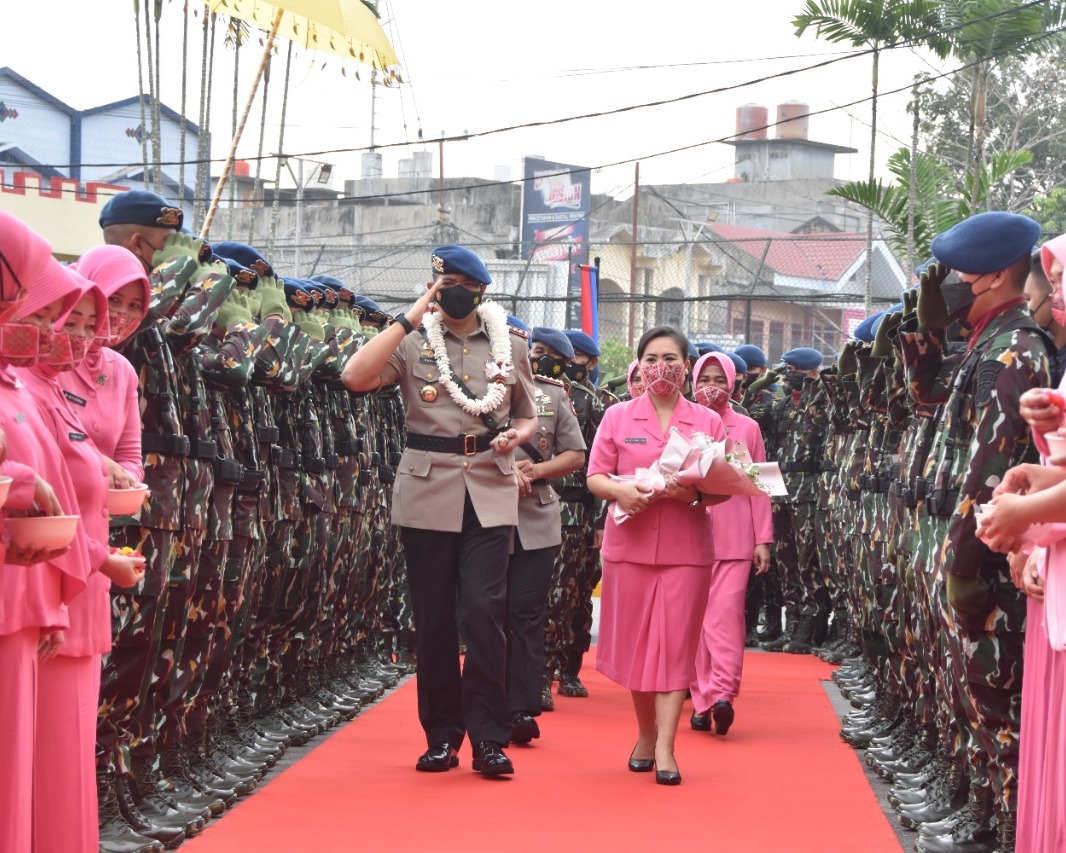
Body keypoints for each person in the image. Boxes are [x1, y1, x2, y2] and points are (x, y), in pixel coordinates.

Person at [341, 244, 537, 777]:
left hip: (491, 492)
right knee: (433, 623)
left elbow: (528, 416)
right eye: (438, 281)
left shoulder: (510, 345)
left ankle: (489, 739)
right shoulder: (412, 341)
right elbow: (354, 377)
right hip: (428, 490)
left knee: (482, 615)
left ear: (477, 289)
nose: (445, 289)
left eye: (453, 281)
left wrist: (514, 437)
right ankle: (442, 737)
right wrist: (407, 317)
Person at [897, 211, 1051, 853]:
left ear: (990, 273)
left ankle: (1002, 824)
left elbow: (992, 463)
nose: (952, 282)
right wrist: (924, 336)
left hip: (991, 550)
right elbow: (929, 406)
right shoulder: (987, 342)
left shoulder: (1015, 350)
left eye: (961, 271)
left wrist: (965, 557)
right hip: (973, 541)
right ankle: (980, 806)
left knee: (997, 698)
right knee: (972, 687)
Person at [586, 325, 726, 786]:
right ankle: (645, 734)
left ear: (687, 366)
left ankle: (666, 746)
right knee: (637, 647)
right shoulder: (617, 416)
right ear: (639, 366)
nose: (659, 367)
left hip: (687, 550)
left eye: (669, 358)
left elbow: (724, 489)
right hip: (629, 547)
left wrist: (686, 495)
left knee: (676, 647)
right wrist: (623, 491)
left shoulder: (707, 422)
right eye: (650, 358)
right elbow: (595, 476)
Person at [507, 327, 586, 744]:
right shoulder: (475, 390)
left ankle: (520, 705)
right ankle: (485, 701)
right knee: (484, 612)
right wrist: (503, 474)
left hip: (535, 518)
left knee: (527, 613)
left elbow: (575, 454)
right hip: (482, 515)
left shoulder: (552, 395)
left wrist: (535, 470)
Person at [687, 351, 772, 736]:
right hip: (688, 537)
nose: (712, 387)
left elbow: (761, 488)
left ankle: (723, 694)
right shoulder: (683, 423)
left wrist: (763, 540)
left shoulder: (748, 428)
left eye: (720, 380)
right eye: (705, 379)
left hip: (737, 540)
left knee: (725, 618)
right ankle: (701, 702)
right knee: (694, 625)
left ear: (734, 383)